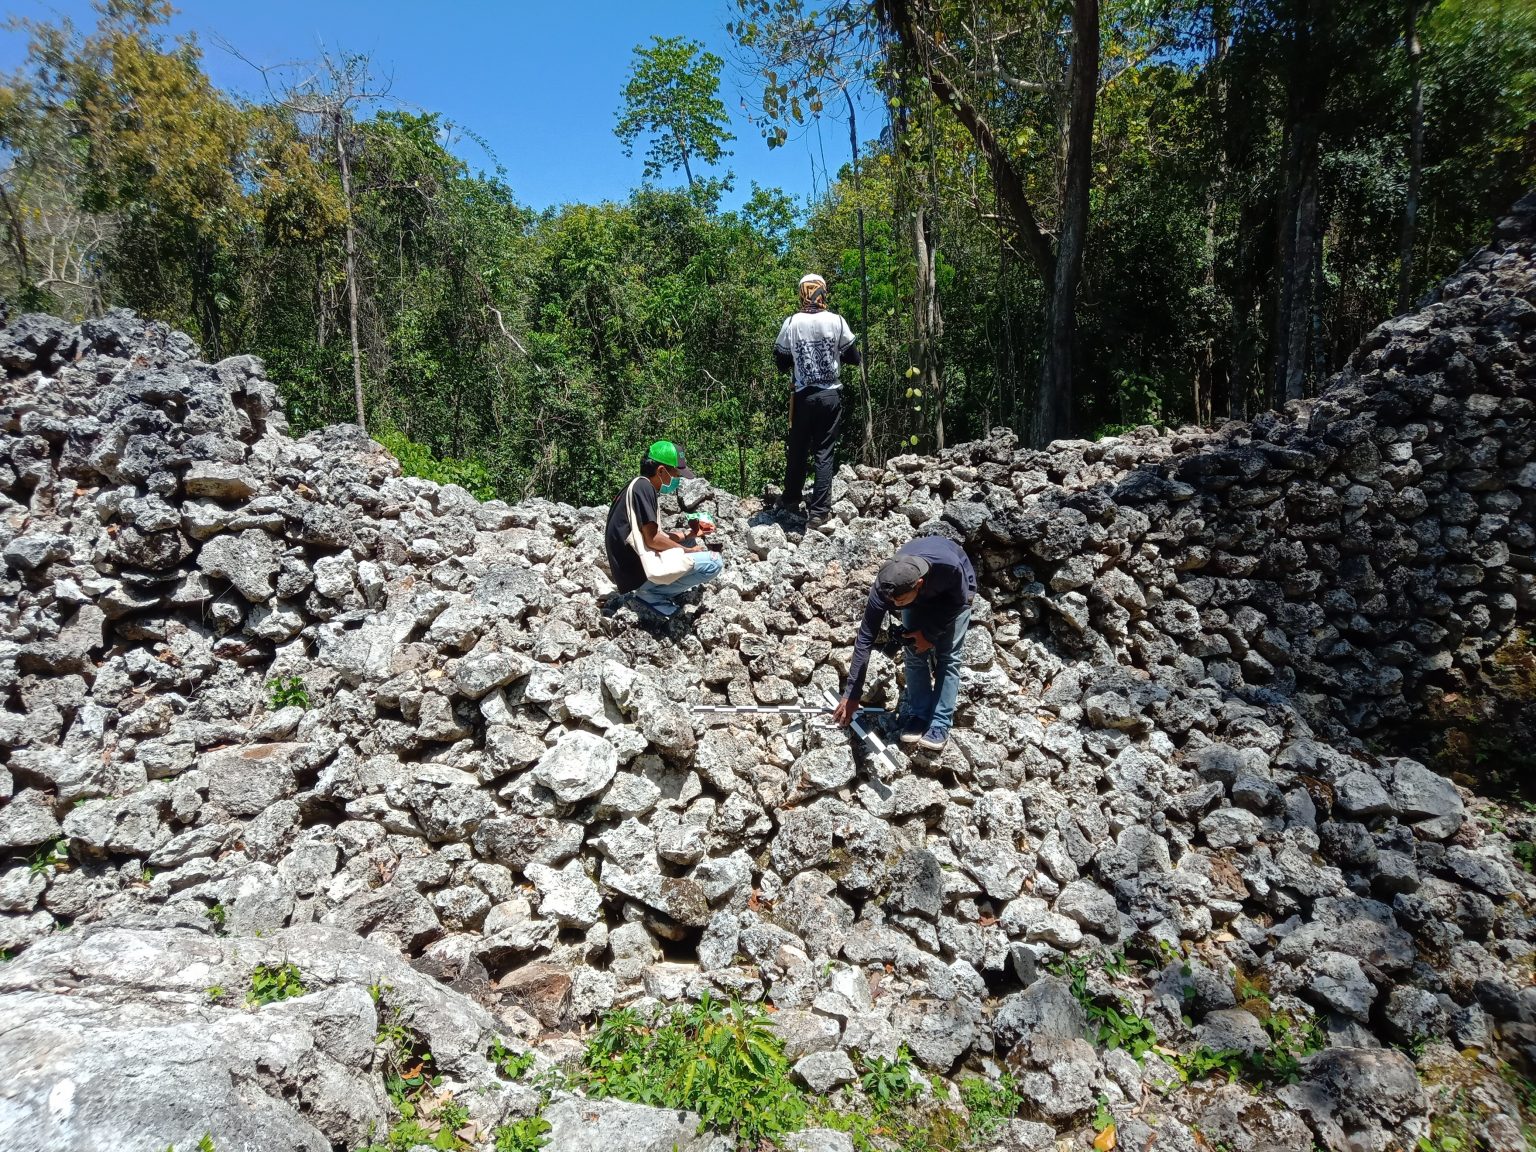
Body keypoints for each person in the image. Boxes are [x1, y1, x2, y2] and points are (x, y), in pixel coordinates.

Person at [831, 536, 976, 751]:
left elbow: (959, 600)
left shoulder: (949, 568)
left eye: (898, 602)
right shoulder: (886, 586)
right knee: (913, 651)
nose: (893, 605)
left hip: (955, 596)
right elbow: (865, 638)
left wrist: (930, 634)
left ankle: (940, 724)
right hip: (917, 598)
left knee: (948, 656)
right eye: (891, 602)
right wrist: (852, 694)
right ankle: (919, 716)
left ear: (918, 584)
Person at [773, 272, 862, 527]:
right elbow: (854, 357)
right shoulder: (836, 321)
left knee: (798, 448)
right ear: (822, 292)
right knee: (824, 451)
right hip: (830, 394)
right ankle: (819, 512)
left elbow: (781, 360)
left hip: (803, 396)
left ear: (802, 293)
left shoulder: (792, 322)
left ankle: (791, 497)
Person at [604, 440, 722, 618]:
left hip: (628, 573)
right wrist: (688, 551)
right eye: (676, 473)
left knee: (688, 541)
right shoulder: (645, 488)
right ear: (661, 471)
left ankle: (654, 590)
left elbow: (652, 536)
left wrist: (690, 534)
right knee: (714, 562)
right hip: (639, 577)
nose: (678, 479)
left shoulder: (635, 486)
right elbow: (652, 540)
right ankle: (654, 594)